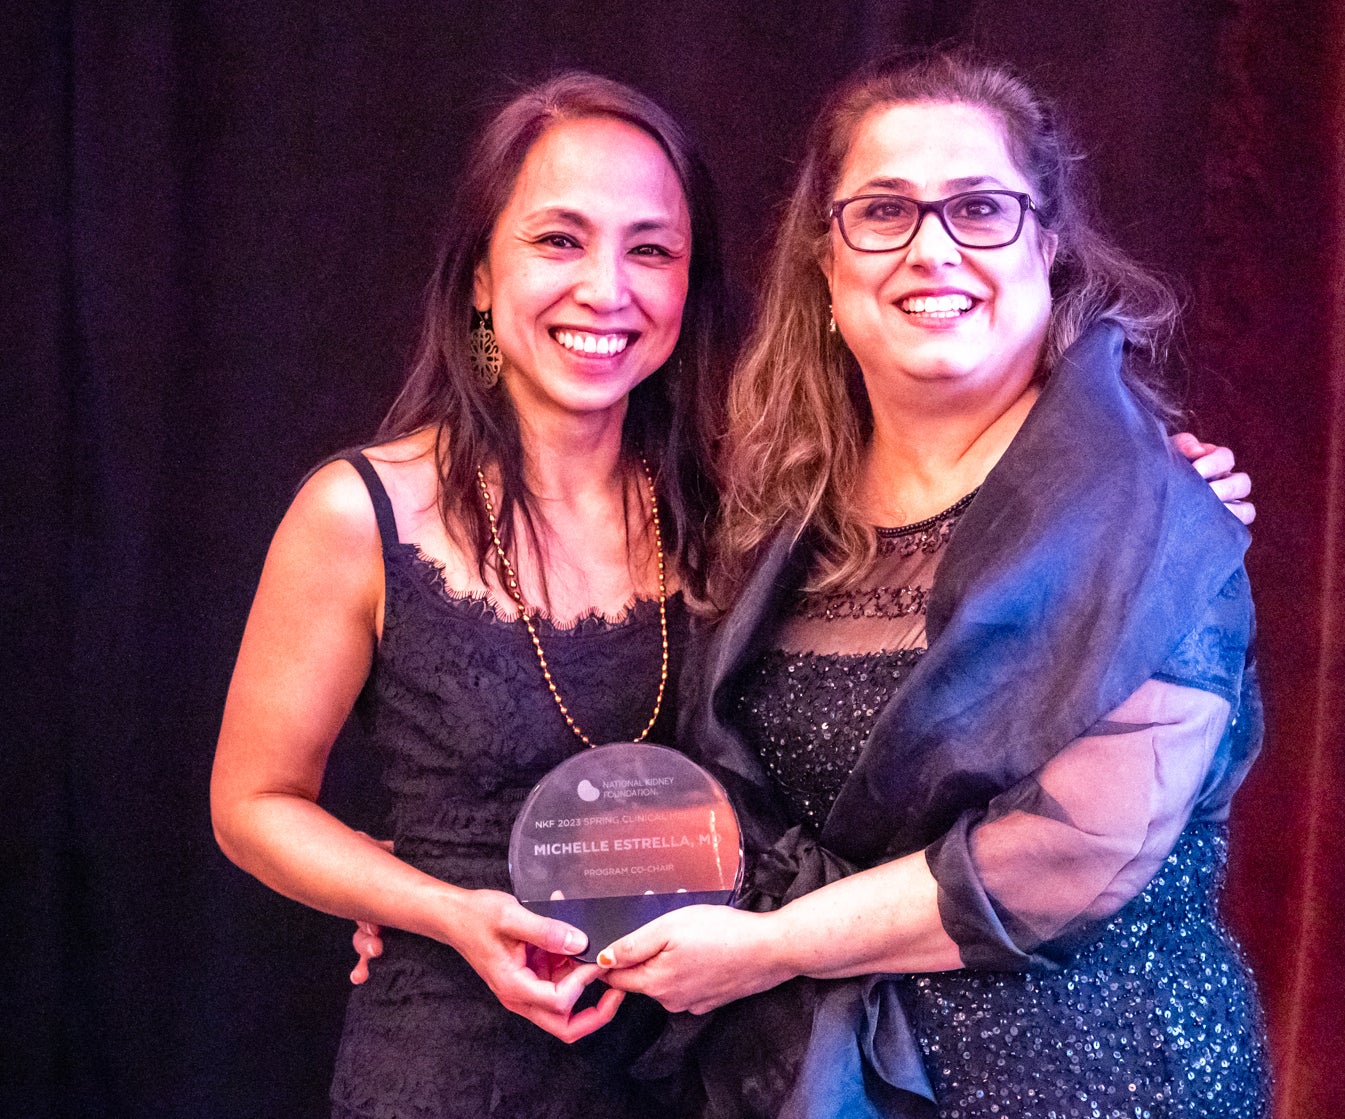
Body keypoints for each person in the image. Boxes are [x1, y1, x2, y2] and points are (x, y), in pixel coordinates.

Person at [590, 48, 1270, 1118]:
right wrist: (458, 877)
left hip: (1102, 1084)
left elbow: (1066, 855)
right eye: (884, 211)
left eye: (980, 208)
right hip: (818, 1085)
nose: (932, 249)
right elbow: (684, 787)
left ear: (1046, 246)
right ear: (825, 261)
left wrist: (766, 949)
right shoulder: (769, 522)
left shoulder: (1152, 516)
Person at [210, 72, 732, 1119]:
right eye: (558, 240)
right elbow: (251, 806)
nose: (607, 287)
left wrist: (1152, 473)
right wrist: (441, 911)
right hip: (453, 1067)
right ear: (481, 278)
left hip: (711, 1065)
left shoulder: (743, 508)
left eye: (650, 250)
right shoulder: (362, 512)